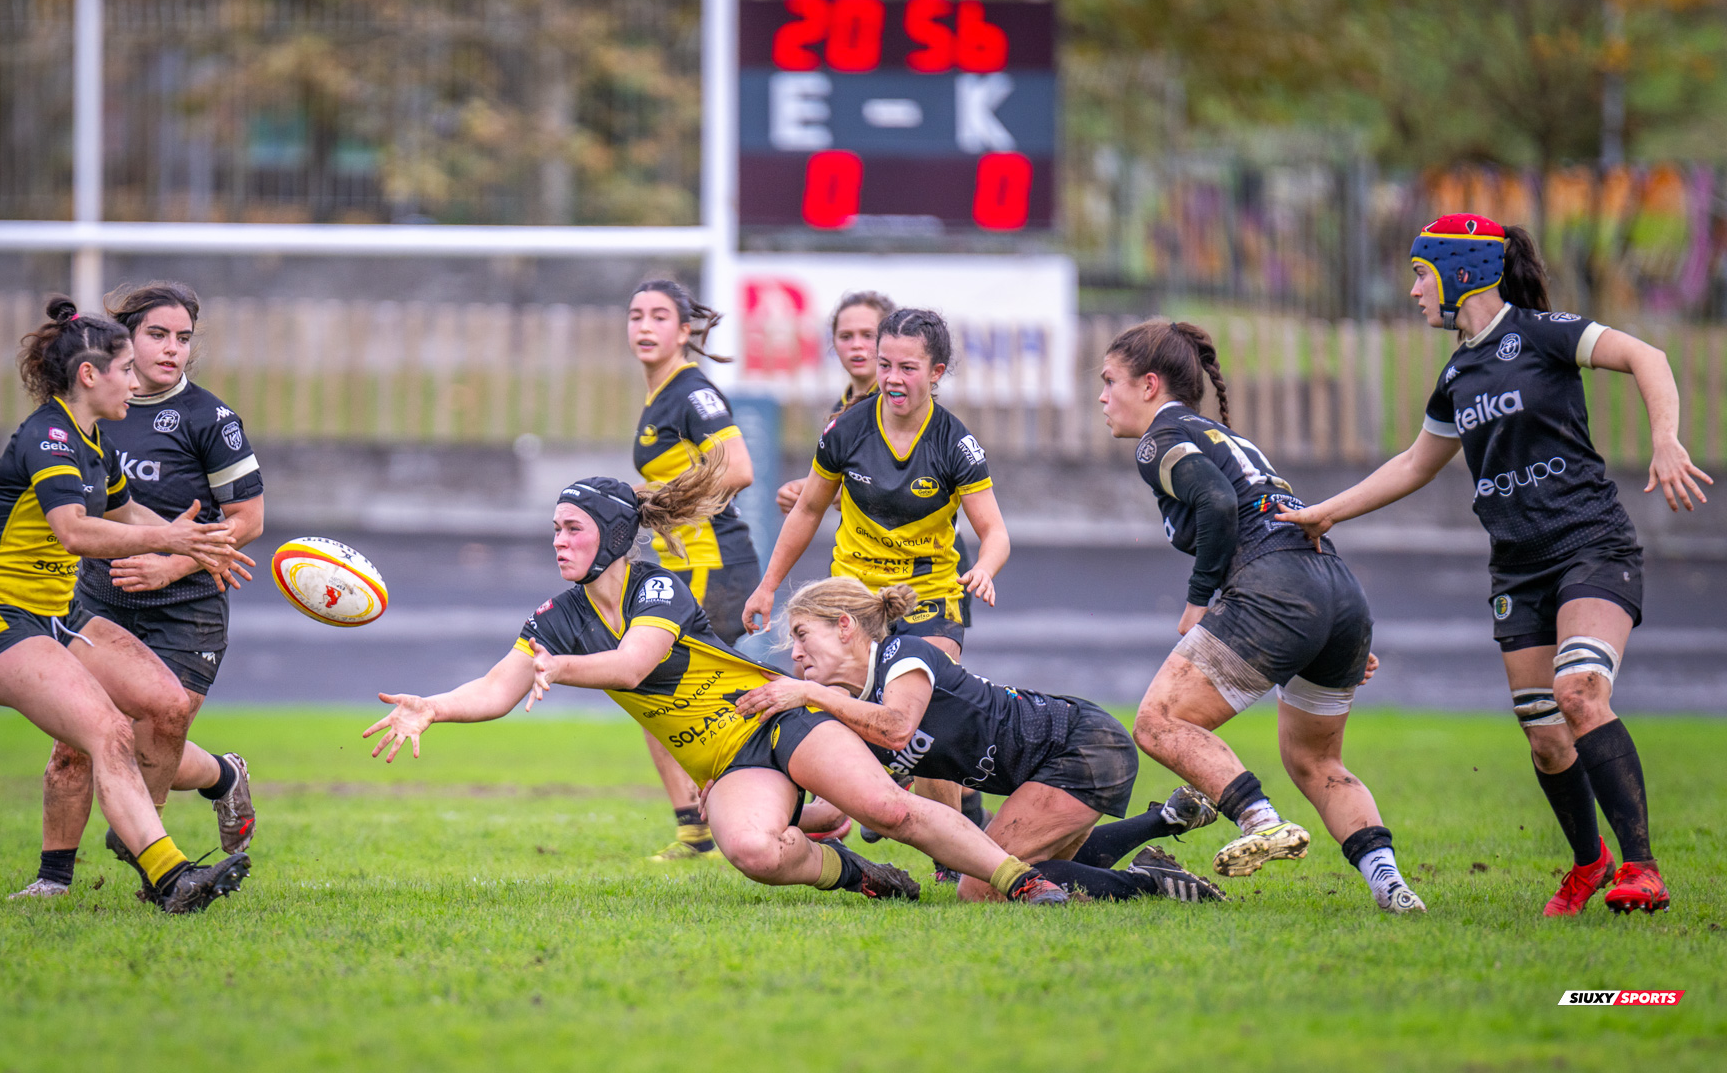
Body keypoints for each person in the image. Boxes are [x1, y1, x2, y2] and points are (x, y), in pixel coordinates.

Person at [362, 454, 1069, 906]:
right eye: (554, 529)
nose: (558, 541)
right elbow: (495, 686)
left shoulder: (656, 586)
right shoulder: (558, 618)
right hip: (725, 761)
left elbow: (636, 664)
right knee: (755, 852)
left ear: (609, 535)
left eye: (572, 529)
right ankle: (859, 874)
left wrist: (564, 668)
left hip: (774, 717)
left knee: (889, 809)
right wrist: (435, 707)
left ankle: (1019, 879)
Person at [1279, 215, 1708, 916]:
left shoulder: (1542, 333)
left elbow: (1648, 356)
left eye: (1421, 273)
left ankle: (1642, 868)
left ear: (1459, 268)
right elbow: (1417, 463)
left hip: (1590, 544)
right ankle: (1589, 862)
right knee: (1544, 736)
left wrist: (1666, 439)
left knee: (1579, 693)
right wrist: (1328, 512)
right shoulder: (1458, 372)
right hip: (1518, 569)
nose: (1414, 289)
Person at [1100, 319, 1426, 915]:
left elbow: (1219, 505)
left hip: (1277, 589)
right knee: (1316, 760)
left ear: (1149, 385)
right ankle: (1392, 887)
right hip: (1335, 592)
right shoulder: (1223, 437)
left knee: (1158, 722)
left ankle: (1261, 820)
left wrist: (1200, 599)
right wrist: (1333, 632)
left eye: (1109, 381)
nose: (1101, 396)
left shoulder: (1159, 438)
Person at [0, 295, 252, 913]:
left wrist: (195, 545)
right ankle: (169, 878)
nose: (135, 379)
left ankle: (205, 793)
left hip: (59, 619)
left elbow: (127, 514)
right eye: (124, 369)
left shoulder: (93, 442)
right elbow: (76, 532)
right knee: (106, 730)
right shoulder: (51, 436)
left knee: (166, 703)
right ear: (90, 374)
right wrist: (167, 537)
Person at [732, 576, 1224, 904]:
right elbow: (836, 811)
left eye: (801, 635)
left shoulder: (903, 652)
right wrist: (753, 809)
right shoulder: (845, 703)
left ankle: (1150, 885)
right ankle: (1160, 826)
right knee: (1042, 866)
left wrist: (812, 694)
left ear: (844, 627)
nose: (795, 654)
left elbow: (898, 726)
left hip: (1081, 745)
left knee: (981, 887)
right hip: (1062, 759)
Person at [744, 307, 1007, 660]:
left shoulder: (954, 443)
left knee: (915, 692)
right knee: (821, 694)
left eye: (908, 368)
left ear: (936, 373)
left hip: (926, 597)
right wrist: (767, 586)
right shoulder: (846, 430)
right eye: (884, 365)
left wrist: (984, 570)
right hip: (853, 594)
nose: (892, 379)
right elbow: (807, 510)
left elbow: (995, 532)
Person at [626, 278, 760, 861]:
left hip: (717, 566)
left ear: (685, 330)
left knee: (656, 682)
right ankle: (696, 827)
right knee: (653, 687)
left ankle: (739, 813)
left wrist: (648, 492)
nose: (644, 326)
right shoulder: (660, 396)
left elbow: (737, 469)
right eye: (636, 316)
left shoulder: (693, 393)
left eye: (659, 316)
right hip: (688, 567)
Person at [774, 290, 895, 514]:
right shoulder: (841, 409)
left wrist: (815, 491)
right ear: (834, 344)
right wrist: (803, 490)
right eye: (846, 336)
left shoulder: (898, 403)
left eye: (868, 335)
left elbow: (896, 486)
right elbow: (844, 485)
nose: (857, 345)